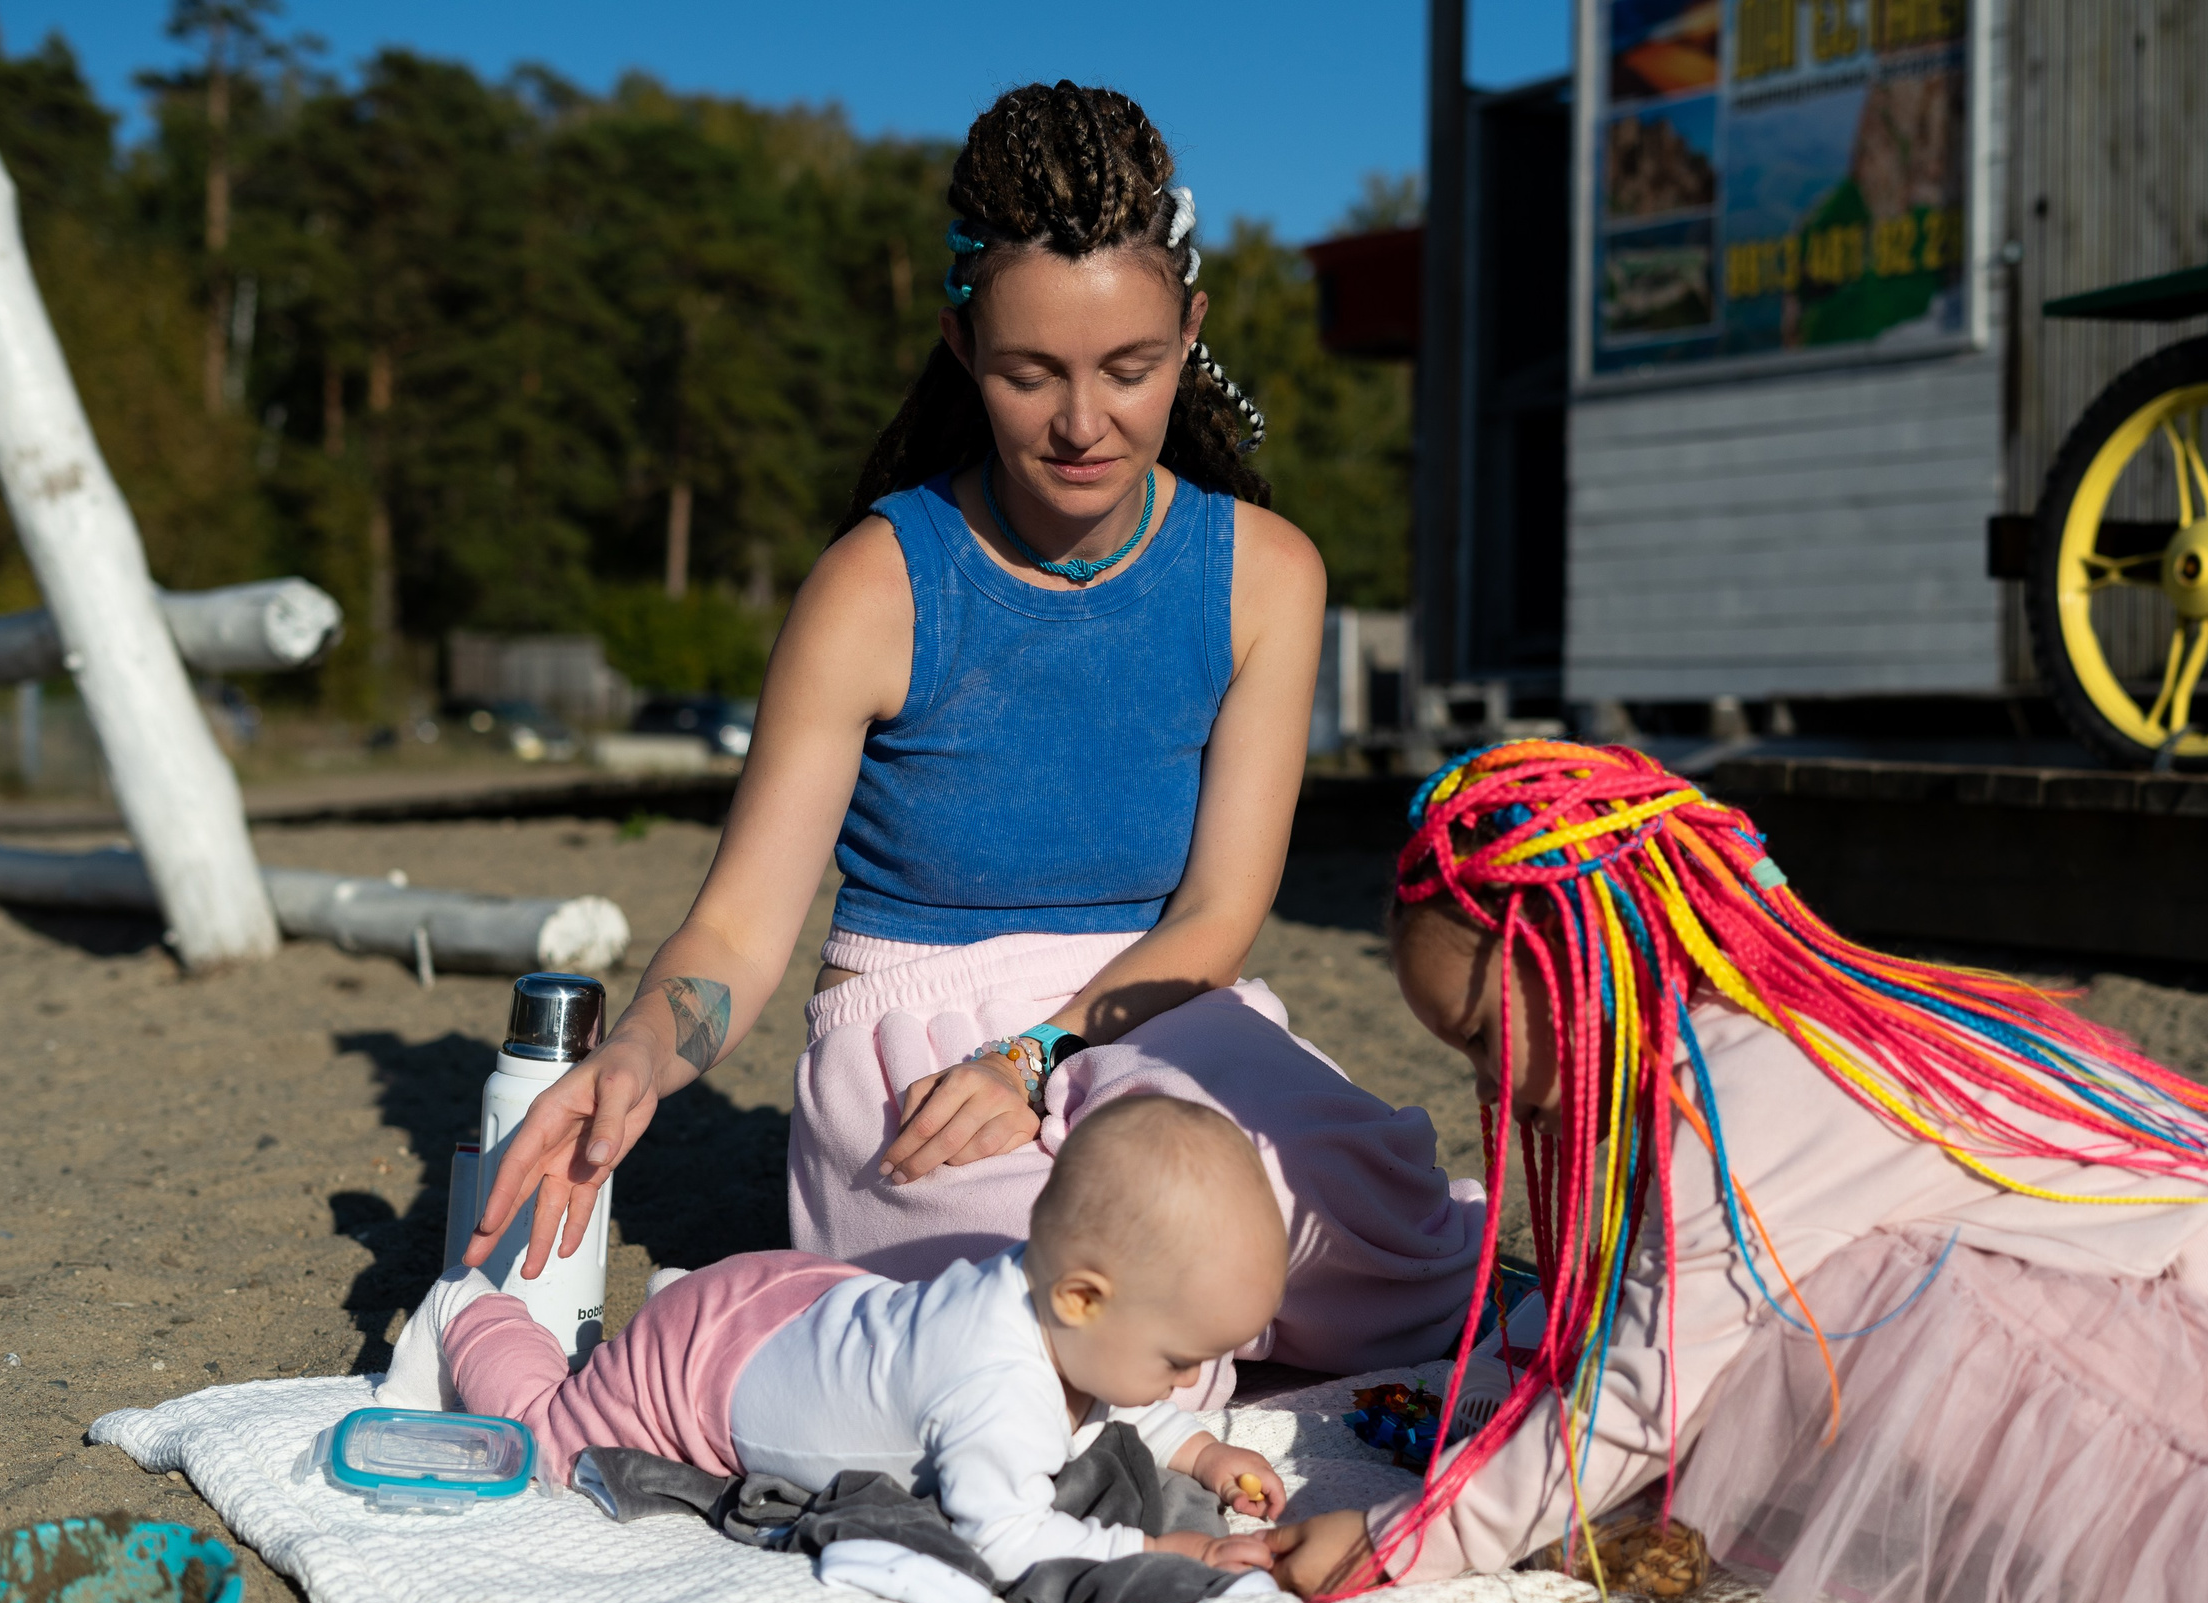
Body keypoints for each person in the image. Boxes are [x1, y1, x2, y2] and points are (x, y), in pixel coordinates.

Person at [459, 81, 1485, 1393]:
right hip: (917, 1041)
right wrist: (639, 1055)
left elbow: (1221, 911)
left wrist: (1044, 1055)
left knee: (1397, 1263)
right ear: (958, 342)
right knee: (1057, 1325)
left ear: (1191, 332)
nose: (1082, 423)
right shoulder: (876, 585)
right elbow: (734, 931)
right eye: (1028, 370)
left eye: (1130, 368)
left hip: (1156, 1003)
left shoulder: (1265, 577)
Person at [1266, 741, 2208, 1603]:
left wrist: (1401, 1539)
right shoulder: (1754, 1014)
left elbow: (1641, 1387)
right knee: (1750, 1288)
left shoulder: (1733, 1099)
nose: (1492, 1083)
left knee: (1826, 1298)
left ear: (1592, 947)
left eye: (1480, 1033)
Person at [385, 1096, 1286, 1584]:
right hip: (697, 1371)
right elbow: (1010, 1539)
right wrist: (1169, 1552)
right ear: (1083, 1298)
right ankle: (468, 1310)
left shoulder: (1049, 1294)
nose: (1190, 1380)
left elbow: (1107, 1391)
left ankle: (684, 1289)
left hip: (804, 1301)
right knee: (546, 1441)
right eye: (1180, 1360)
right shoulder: (997, 1384)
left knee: (844, 1334)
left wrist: (1199, 1449)